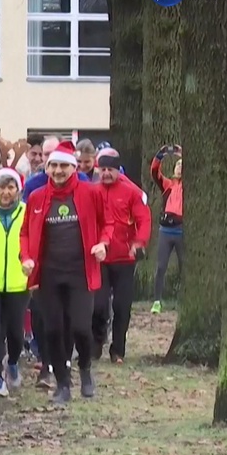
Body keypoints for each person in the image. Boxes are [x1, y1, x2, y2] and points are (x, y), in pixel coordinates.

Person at [20, 140, 113, 405]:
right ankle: (62, 383)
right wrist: (26, 257)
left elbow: (107, 222)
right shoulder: (37, 198)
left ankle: (84, 369)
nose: (58, 171)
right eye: (54, 166)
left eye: (63, 166)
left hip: (80, 272)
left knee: (81, 328)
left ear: (73, 168)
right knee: (52, 330)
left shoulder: (90, 193)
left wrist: (103, 243)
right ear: (47, 168)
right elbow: (25, 232)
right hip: (48, 274)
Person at [92, 149, 151, 363]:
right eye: (103, 169)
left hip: (125, 258)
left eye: (111, 170)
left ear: (118, 171)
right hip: (100, 259)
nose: (106, 173)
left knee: (121, 306)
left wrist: (139, 243)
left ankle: (118, 350)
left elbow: (144, 219)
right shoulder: (93, 191)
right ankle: (95, 344)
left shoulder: (131, 192)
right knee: (98, 305)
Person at [0, 168, 29, 396]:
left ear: (18, 190)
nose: (5, 192)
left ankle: (12, 362)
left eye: (10, 187)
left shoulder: (26, 212)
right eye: (1, 187)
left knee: (15, 331)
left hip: (18, 282)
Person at [150, 145, 183, 314]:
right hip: (166, 230)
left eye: (182, 165)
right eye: (177, 165)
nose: (179, 168)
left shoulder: (190, 186)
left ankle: (183, 302)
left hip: (181, 230)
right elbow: (155, 172)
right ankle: (157, 301)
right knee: (161, 266)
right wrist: (160, 155)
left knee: (185, 267)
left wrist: (182, 152)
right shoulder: (168, 185)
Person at [23, 137, 90, 201]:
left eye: (55, 152)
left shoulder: (82, 179)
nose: (51, 157)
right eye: (46, 154)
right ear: (42, 156)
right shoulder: (31, 185)